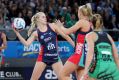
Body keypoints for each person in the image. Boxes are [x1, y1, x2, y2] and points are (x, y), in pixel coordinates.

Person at [12, 12, 74, 80]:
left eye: (45, 16)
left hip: (55, 57)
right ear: (38, 19)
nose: (45, 18)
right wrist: (17, 33)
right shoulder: (36, 33)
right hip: (43, 58)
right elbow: (27, 44)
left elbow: (66, 36)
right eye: (43, 17)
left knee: (63, 77)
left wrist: (75, 46)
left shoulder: (52, 26)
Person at [55, 4, 93, 80]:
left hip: (79, 55)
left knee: (62, 76)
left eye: (78, 12)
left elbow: (67, 31)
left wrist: (60, 26)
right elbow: (68, 35)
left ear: (80, 13)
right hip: (85, 56)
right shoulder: (90, 24)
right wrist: (60, 29)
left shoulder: (81, 22)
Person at [81, 14, 119, 80]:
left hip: (99, 66)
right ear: (102, 24)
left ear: (90, 24)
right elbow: (116, 57)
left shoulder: (90, 35)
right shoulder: (108, 36)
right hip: (112, 68)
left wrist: (85, 71)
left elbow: (90, 53)